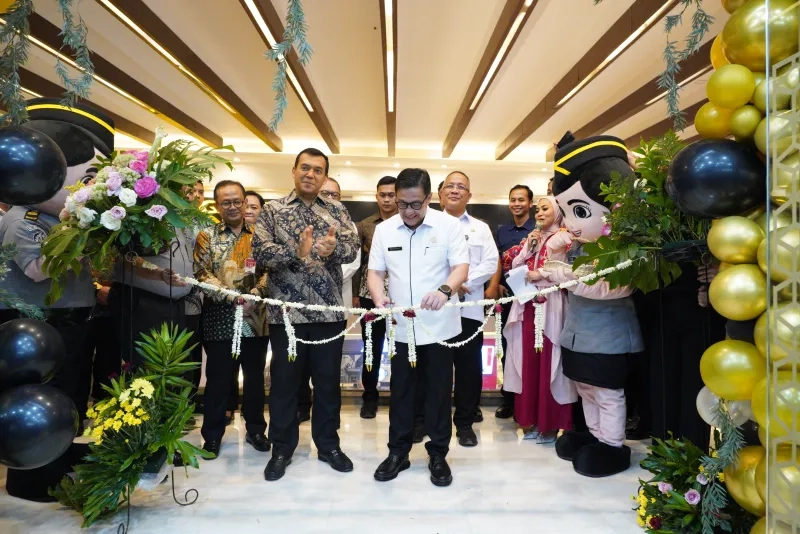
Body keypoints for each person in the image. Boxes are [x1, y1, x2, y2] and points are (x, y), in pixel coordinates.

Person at [0, 99, 113, 502]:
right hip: (38, 325)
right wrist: (78, 244)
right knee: (38, 402)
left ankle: (60, 462)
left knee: (70, 394)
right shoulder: (22, 220)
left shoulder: (54, 222)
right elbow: (35, 270)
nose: (87, 193)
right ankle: (32, 478)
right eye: (84, 180)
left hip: (73, 321)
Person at [251, 148, 359, 482]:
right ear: (294, 170)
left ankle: (328, 445)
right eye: (305, 168)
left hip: (328, 314)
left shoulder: (337, 210)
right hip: (287, 315)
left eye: (318, 170)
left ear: (325, 176)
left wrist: (332, 249)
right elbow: (260, 251)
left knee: (328, 385)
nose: (311, 174)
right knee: (284, 385)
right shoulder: (272, 210)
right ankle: (281, 448)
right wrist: (293, 252)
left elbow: (353, 248)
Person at [548, 134, 645, 478]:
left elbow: (607, 288)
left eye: (580, 212)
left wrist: (558, 269)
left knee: (607, 393)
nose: (571, 223)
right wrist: (556, 254)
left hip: (610, 339)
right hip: (578, 335)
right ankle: (593, 436)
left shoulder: (626, 248)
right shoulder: (581, 245)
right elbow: (557, 276)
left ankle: (613, 445)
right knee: (586, 388)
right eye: (567, 211)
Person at [368, 168, 469, 487]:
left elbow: (461, 268)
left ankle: (438, 454)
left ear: (428, 198)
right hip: (401, 329)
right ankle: (397, 452)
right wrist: (379, 297)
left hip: (440, 328)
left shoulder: (449, 226)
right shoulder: (385, 230)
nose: (409, 211)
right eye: (402, 204)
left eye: (415, 204)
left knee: (439, 394)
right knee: (401, 393)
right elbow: (374, 272)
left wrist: (445, 290)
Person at [194, 180, 270, 458]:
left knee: (254, 380)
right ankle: (212, 436)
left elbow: (269, 271)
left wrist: (255, 295)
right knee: (218, 381)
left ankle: (256, 430)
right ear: (216, 205)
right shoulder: (206, 236)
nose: (234, 206)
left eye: (238, 201)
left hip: (256, 320)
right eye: (226, 202)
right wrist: (234, 298)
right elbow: (202, 274)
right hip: (219, 321)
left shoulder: (261, 235)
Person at [422, 171, 498, 447]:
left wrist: (462, 281)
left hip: (469, 310)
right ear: (440, 194)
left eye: (461, 187)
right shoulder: (426, 225)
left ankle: (464, 424)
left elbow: (490, 262)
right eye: (450, 186)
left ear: (469, 195)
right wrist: (448, 287)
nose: (455, 190)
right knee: (435, 370)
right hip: (436, 311)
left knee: (468, 370)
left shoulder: (480, 227)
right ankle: (432, 422)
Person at [502, 196, 577, 444]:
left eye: (545, 209)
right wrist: (528, 248)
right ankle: (531, 420)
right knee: (529, 362)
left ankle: (551, 423)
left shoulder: (566, 238)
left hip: (552, 303)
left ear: (557, 211)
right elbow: (515, 265)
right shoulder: (532, 238)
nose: (540, 213)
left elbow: (571, 272)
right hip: (527, 306)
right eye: (539, 209)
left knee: (550, 362)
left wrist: (542, 273)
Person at [296, 177, 361, 422]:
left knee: (328, 369)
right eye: (326, 193)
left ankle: (327, 427)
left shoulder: (346, 224)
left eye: (335, 194)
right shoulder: (297, 218)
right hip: (299, 304)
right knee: (298, 364)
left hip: (334, 301)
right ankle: (302, 406)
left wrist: (323, 278)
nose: (330, 198)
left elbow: (353, 262)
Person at [485, 185, 536, 419]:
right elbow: (494, 261)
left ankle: (532, 399)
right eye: (513, 200)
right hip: (508, 299)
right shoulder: (501, 231)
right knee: (507, 348)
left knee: (532, 348)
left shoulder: (538, 228)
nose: (517, 204)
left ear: (530, 203)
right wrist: (497, 283)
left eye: (521, 200)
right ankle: (509, 400)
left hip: (535, 300)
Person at [353, 176, 397, 418]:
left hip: (400, 295)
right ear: (377, 196)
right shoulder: (366, 225)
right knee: (371, 346)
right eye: (383, 194)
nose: (388, 199)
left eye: (392, 194)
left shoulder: (408, 222)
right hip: (369, 294)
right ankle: (369, 396)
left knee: (400, 347)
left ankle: (400, 395)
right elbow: (358, 263)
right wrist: (356, 296)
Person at [180, 179, 207, 414]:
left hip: (195, 297)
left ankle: (188, 403)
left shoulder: (205, 224)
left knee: (192, 350)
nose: (196, 195)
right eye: (191, 190)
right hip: (166, 292)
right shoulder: (168, 219)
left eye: (200, 192)